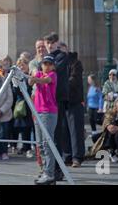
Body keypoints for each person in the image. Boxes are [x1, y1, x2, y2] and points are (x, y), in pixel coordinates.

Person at [43, 32, 69, 181]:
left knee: (57, 136)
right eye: (48, 42)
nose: (50, 45)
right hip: (46, 101)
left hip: (57, 100)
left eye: (52, 42)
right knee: (48, 137)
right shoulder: (47, 58)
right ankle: (49, 168)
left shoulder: (61, 56)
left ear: (57, 43)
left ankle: (58, 169)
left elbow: (51, 71)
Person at [29, 55, 58, 185]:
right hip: (37, 111)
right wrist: (33, 76)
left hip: (48, 112)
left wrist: (35, 78)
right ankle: (44, 170)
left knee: (47, 143)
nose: (46, 66)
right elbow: (31, 82)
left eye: (48, 63)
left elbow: (44, 81)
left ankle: (49, 173)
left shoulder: (52, 75)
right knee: (40, 143)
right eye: (44, 63)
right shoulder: (39, 73)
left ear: (52, 66)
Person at [59, 42, 85, 168]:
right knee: (64, 131)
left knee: (76, 131)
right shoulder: (56, 63)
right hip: (62, 102)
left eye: (62, 49)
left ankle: (77, 157)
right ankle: (67, 156)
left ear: (67, 49)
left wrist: (59, 85)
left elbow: (74, 79)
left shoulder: (75, 62)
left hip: (74, 101)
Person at [90, 95, 118, 164]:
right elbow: (106, 121)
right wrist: (108, 126)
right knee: (106, 132)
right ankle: (112, 152)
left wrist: (117, 128)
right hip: (110, 132)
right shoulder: (110, 112)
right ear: (116, 103)